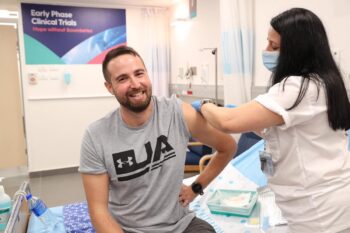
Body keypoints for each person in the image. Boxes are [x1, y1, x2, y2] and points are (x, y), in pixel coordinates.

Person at [192, 8, 350, 233]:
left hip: (318, 209)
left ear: (297, 51)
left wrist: (205, 104)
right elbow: (290, 132)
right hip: (332, 198)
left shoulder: (298, 87)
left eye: (274, 47)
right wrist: (246, 116)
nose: (266, 51)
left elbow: (227, 122)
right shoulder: (327, 83)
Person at [79, 46, 236, 233]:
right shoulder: (96, 136)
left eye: (139, 73)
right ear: (109, 87)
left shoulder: (178, 113)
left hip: (180, 226)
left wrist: (196, 187)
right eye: (123, 79)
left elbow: (227, 146)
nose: (135, 84)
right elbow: (98, 210)